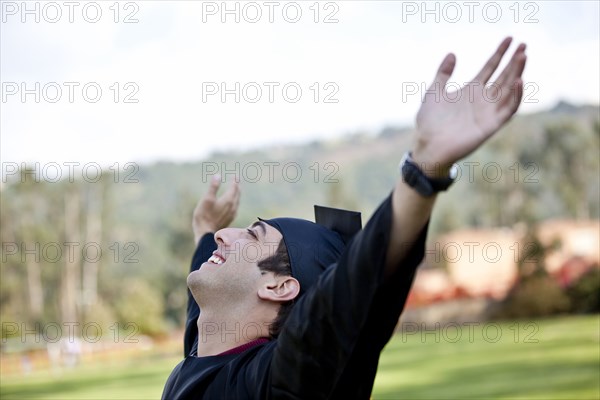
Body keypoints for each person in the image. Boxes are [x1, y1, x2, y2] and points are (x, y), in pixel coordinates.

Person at [162, 37, 527, 399]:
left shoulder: (277, 381)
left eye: (253, 237)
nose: (224, 235)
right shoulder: (207, 352)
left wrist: (424, 170)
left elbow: (351, 298)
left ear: (279, 287)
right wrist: (204, 233)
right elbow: (204, 309)